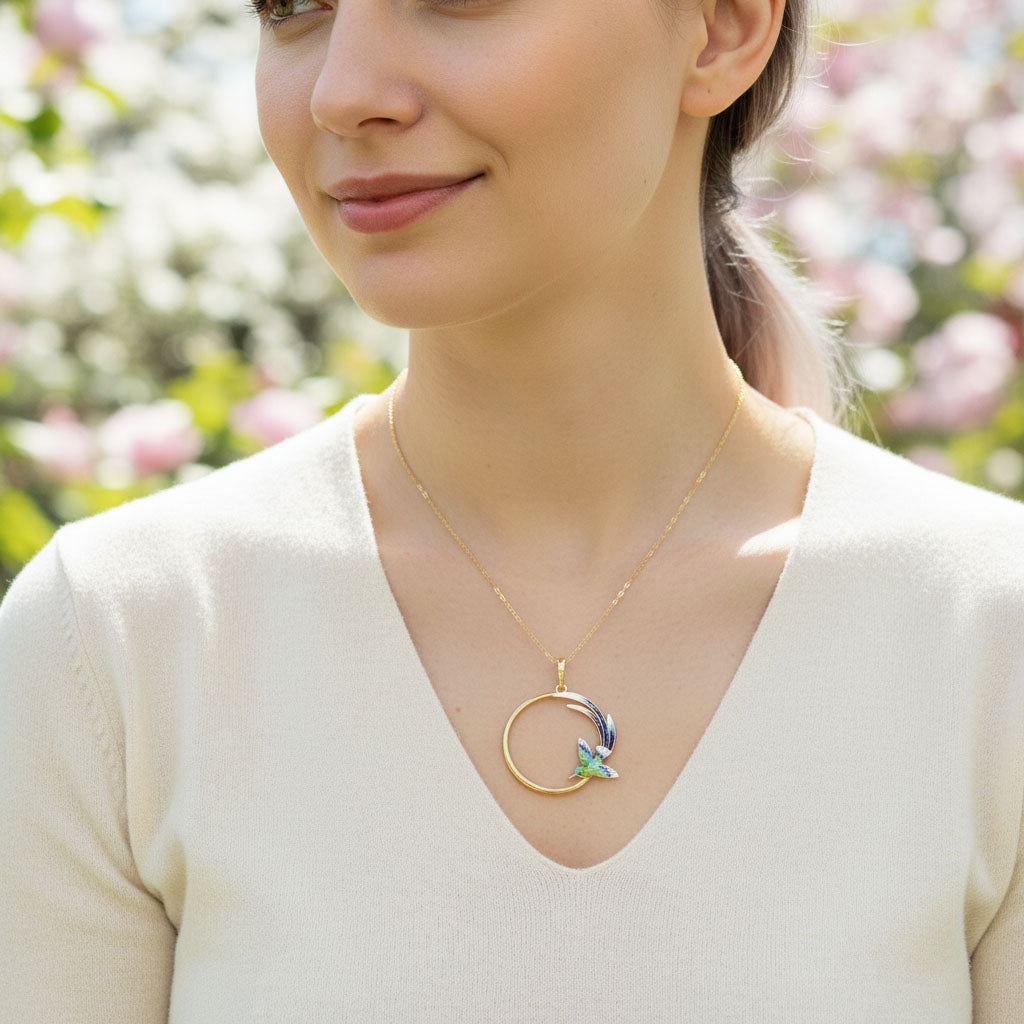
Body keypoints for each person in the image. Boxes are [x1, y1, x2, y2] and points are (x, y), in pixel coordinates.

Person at [1, 0, 1022, 1018]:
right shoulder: (119, 642)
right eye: (292, 8)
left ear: (720, 29)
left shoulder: (986, 636)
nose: (342, 92)